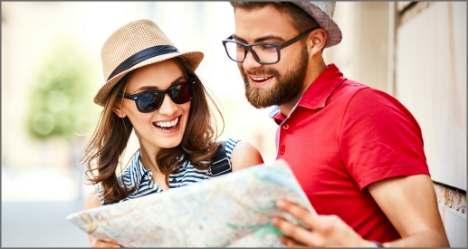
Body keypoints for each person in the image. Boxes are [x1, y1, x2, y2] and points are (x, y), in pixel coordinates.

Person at [222, 2, 450, 247]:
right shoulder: (290, 119)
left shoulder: (364, 110)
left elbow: (434, 242)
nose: (248, 63)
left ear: (315, 42)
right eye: (241, 45)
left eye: (267, 46)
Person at [81, 19, 264, 247]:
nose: (170, 109)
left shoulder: (237, 163)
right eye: (148, 98)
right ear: (118, 107)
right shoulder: (102, 204)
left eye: (179, 90)